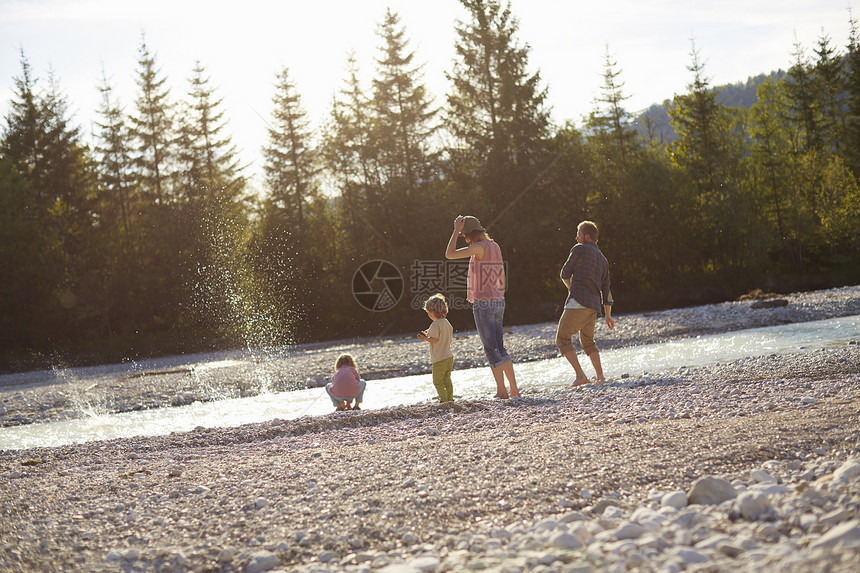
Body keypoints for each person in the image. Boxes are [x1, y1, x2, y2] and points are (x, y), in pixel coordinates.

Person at [445, 215, 520, 399]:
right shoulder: (494, 245)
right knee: (500, 347)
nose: (464, 238)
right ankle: (514, 390)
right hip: (498, 300)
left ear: (471, 233)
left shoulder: (477, 248)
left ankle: (502, 391)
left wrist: (455, 230)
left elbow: (449, 254)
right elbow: (501, 274)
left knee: (490, 347)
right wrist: (499, 293)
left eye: (464, 235)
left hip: (484, 303)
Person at [556, 220, 615, 386]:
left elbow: (564, 273)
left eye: (578, 234)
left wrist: (570, 290)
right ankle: (600, 377)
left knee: (562, 339)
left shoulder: (579, 249)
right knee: (588, 342)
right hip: (594, 307)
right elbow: (607, 290)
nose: (576, 238)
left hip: (578, 302)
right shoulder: (603, 260)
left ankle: (581, 376)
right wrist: (608, 315)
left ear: (586, 237)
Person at [417, 293, 455, 402]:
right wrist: (427, 333)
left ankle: (443, 400)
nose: (428, 315)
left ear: (433, 312)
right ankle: (450, 398)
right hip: (448, 356)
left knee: (438, 381)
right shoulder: (446, 322)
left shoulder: (435, 324)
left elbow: (434, 339)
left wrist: (424, 338)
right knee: (447, 380)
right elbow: (442, 335)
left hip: (439, 358)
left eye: (429, 312)